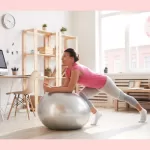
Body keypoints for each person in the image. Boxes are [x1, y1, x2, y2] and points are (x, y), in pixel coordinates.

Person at [43, 48, 147, 125]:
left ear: (71, 58)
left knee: (122, 97)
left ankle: (142, 110)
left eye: (65, 56)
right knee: (81, 95)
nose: (62, 58)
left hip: (103, 82)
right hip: (92, 86)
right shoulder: (68, 70)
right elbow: (65, 86)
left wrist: (51, 89)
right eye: (63, 55)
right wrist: (52, 88)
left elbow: (69, 89)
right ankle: (96, 113)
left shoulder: (76, 69)